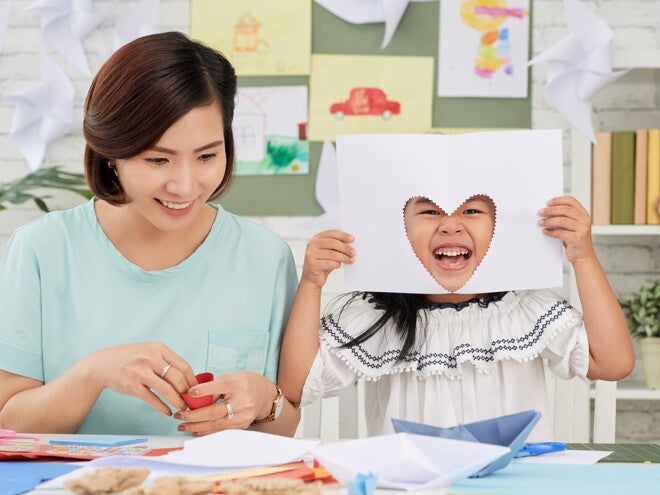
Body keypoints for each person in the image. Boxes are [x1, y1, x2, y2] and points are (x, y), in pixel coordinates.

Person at [0, 32, 300, 437]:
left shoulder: (265, 257)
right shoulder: (42, 249)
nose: (184, 185)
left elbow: (284, 429)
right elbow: (12, 424)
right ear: (112, 153)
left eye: (207, 156)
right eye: (158, 159)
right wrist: (94, 373)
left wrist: (267, 401)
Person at [278, 196, 634, 440]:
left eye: (472, 211)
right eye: (430, 211)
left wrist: (583, 256)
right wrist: (311, 281)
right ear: (399, 225)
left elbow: (613, 362)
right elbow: (296, 386)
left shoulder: (526, 308)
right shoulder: (375, 315)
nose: (451, 226)